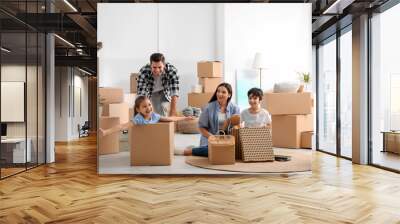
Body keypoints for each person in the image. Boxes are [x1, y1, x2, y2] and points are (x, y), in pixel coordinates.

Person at [183, 83, 240, 157]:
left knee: (234, 151)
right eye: (218, 91)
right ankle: (190, 150)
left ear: (229, 95)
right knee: (212, 151)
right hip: (210, 137)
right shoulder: (208, 107)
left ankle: (199, 150)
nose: (220, 94)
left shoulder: (235, 108)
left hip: (227, 140)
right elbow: (201, 127)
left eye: (223, 92)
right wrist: (213, 137)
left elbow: (237, 126)